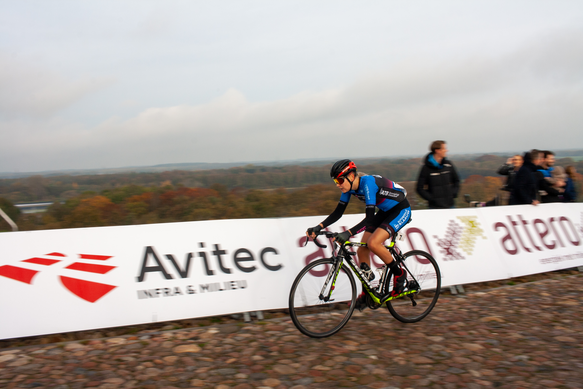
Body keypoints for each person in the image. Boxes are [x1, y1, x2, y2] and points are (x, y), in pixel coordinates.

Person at [306, 159, 411, 311]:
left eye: (340, 180)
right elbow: (338, 212)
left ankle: (399, 273)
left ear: (351, 176)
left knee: (373, 243)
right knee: (362, 250)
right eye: (336, 181)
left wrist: (348, 233)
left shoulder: (368, 184)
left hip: (400, 210)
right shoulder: (349, 189)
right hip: (384, 211)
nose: (338, 184)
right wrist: (319, 227)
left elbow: (369, 219)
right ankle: (367, 293)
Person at [416, 140, 460, 209]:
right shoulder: (426, 168)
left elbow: (456, 181)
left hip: (450, 205)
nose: (446, 150)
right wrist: (432, 199)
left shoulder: (448, 164)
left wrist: (453, 194)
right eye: (444, 148)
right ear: (437, 150)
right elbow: (419, 188)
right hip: (434, 207)